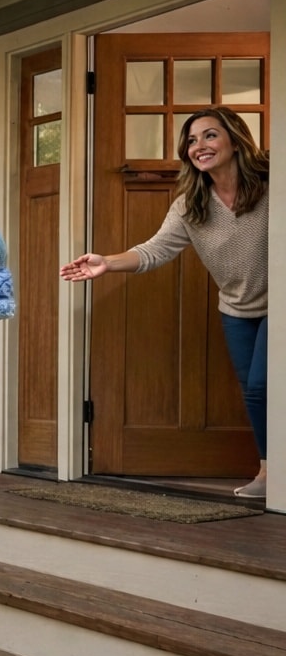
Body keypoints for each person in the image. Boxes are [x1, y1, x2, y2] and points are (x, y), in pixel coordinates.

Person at [60, 107, 269, 498]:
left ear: (235, 139)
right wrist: (107, 262)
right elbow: (155, 250)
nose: (199, 146)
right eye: (191, 140)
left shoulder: (272, 185)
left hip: (280, 305)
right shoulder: (191, 205)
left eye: (209, 135)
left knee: (262, 387)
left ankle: (273, 473)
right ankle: (271, 471)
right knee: (253, 391)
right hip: (237, 310)